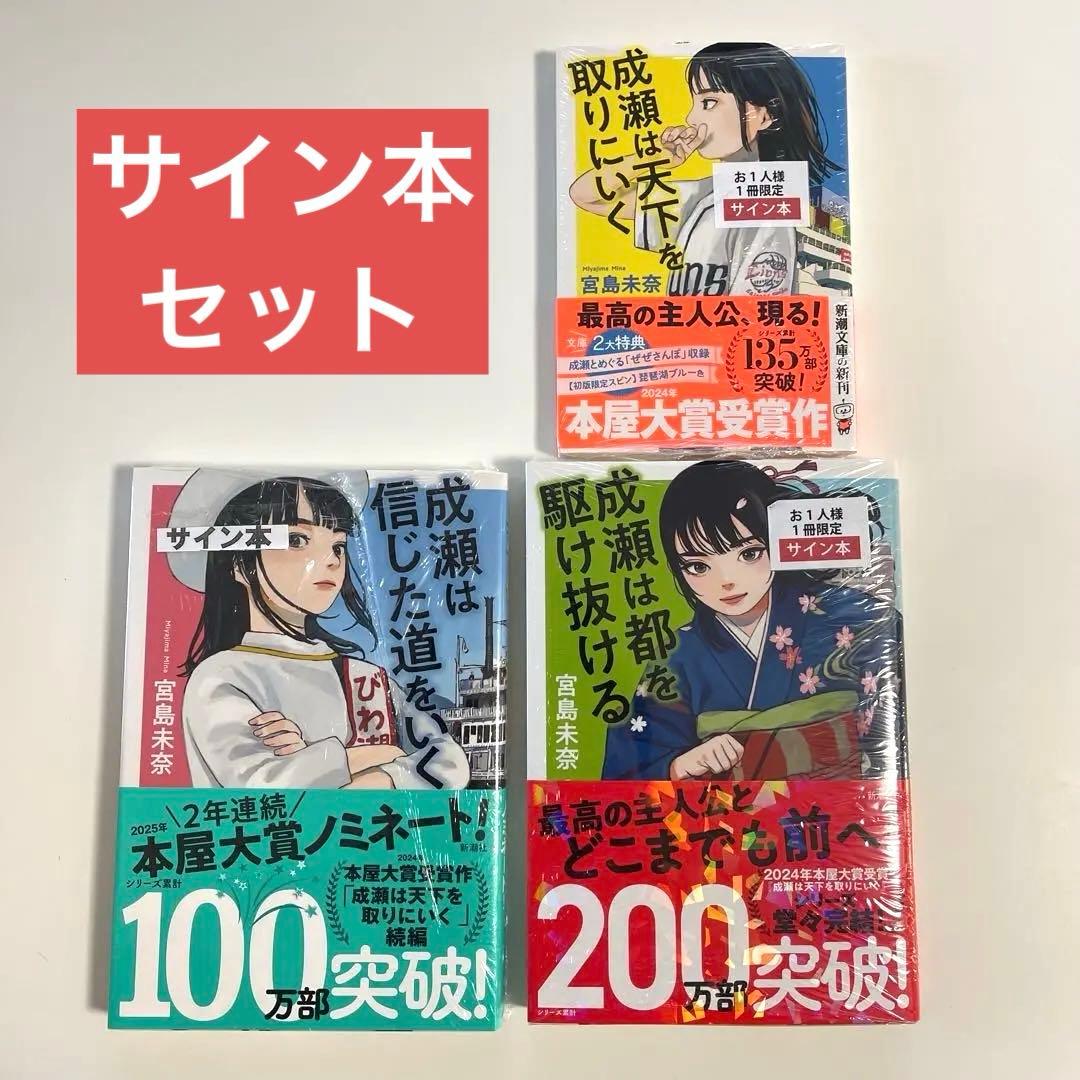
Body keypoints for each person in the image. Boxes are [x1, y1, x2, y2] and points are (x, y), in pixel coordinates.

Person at [168, 469, 469, 790]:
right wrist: (379, 755)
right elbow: (259, 788)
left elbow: (449, 760)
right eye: (297, 540)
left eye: (338, 545)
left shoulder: (365, 677)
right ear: (239, 564)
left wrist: (374, 776)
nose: (330, 560)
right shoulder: (222, 676)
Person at [601, 460, 900, 781]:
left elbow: (894, 728)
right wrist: (681, 764)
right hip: (730, 811)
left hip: (837, 802)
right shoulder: (678, 656)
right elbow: (628, 766)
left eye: (749, 554)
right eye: (698, 567)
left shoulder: (852, 617)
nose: (726, 581)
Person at [569, 42, 838, 296]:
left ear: (764, 116)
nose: (690, 118)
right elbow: (586, 195)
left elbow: (753, 318)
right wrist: (655, 158)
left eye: (709, 102)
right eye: (695, 103)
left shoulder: (768, 209)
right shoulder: (701, 195)